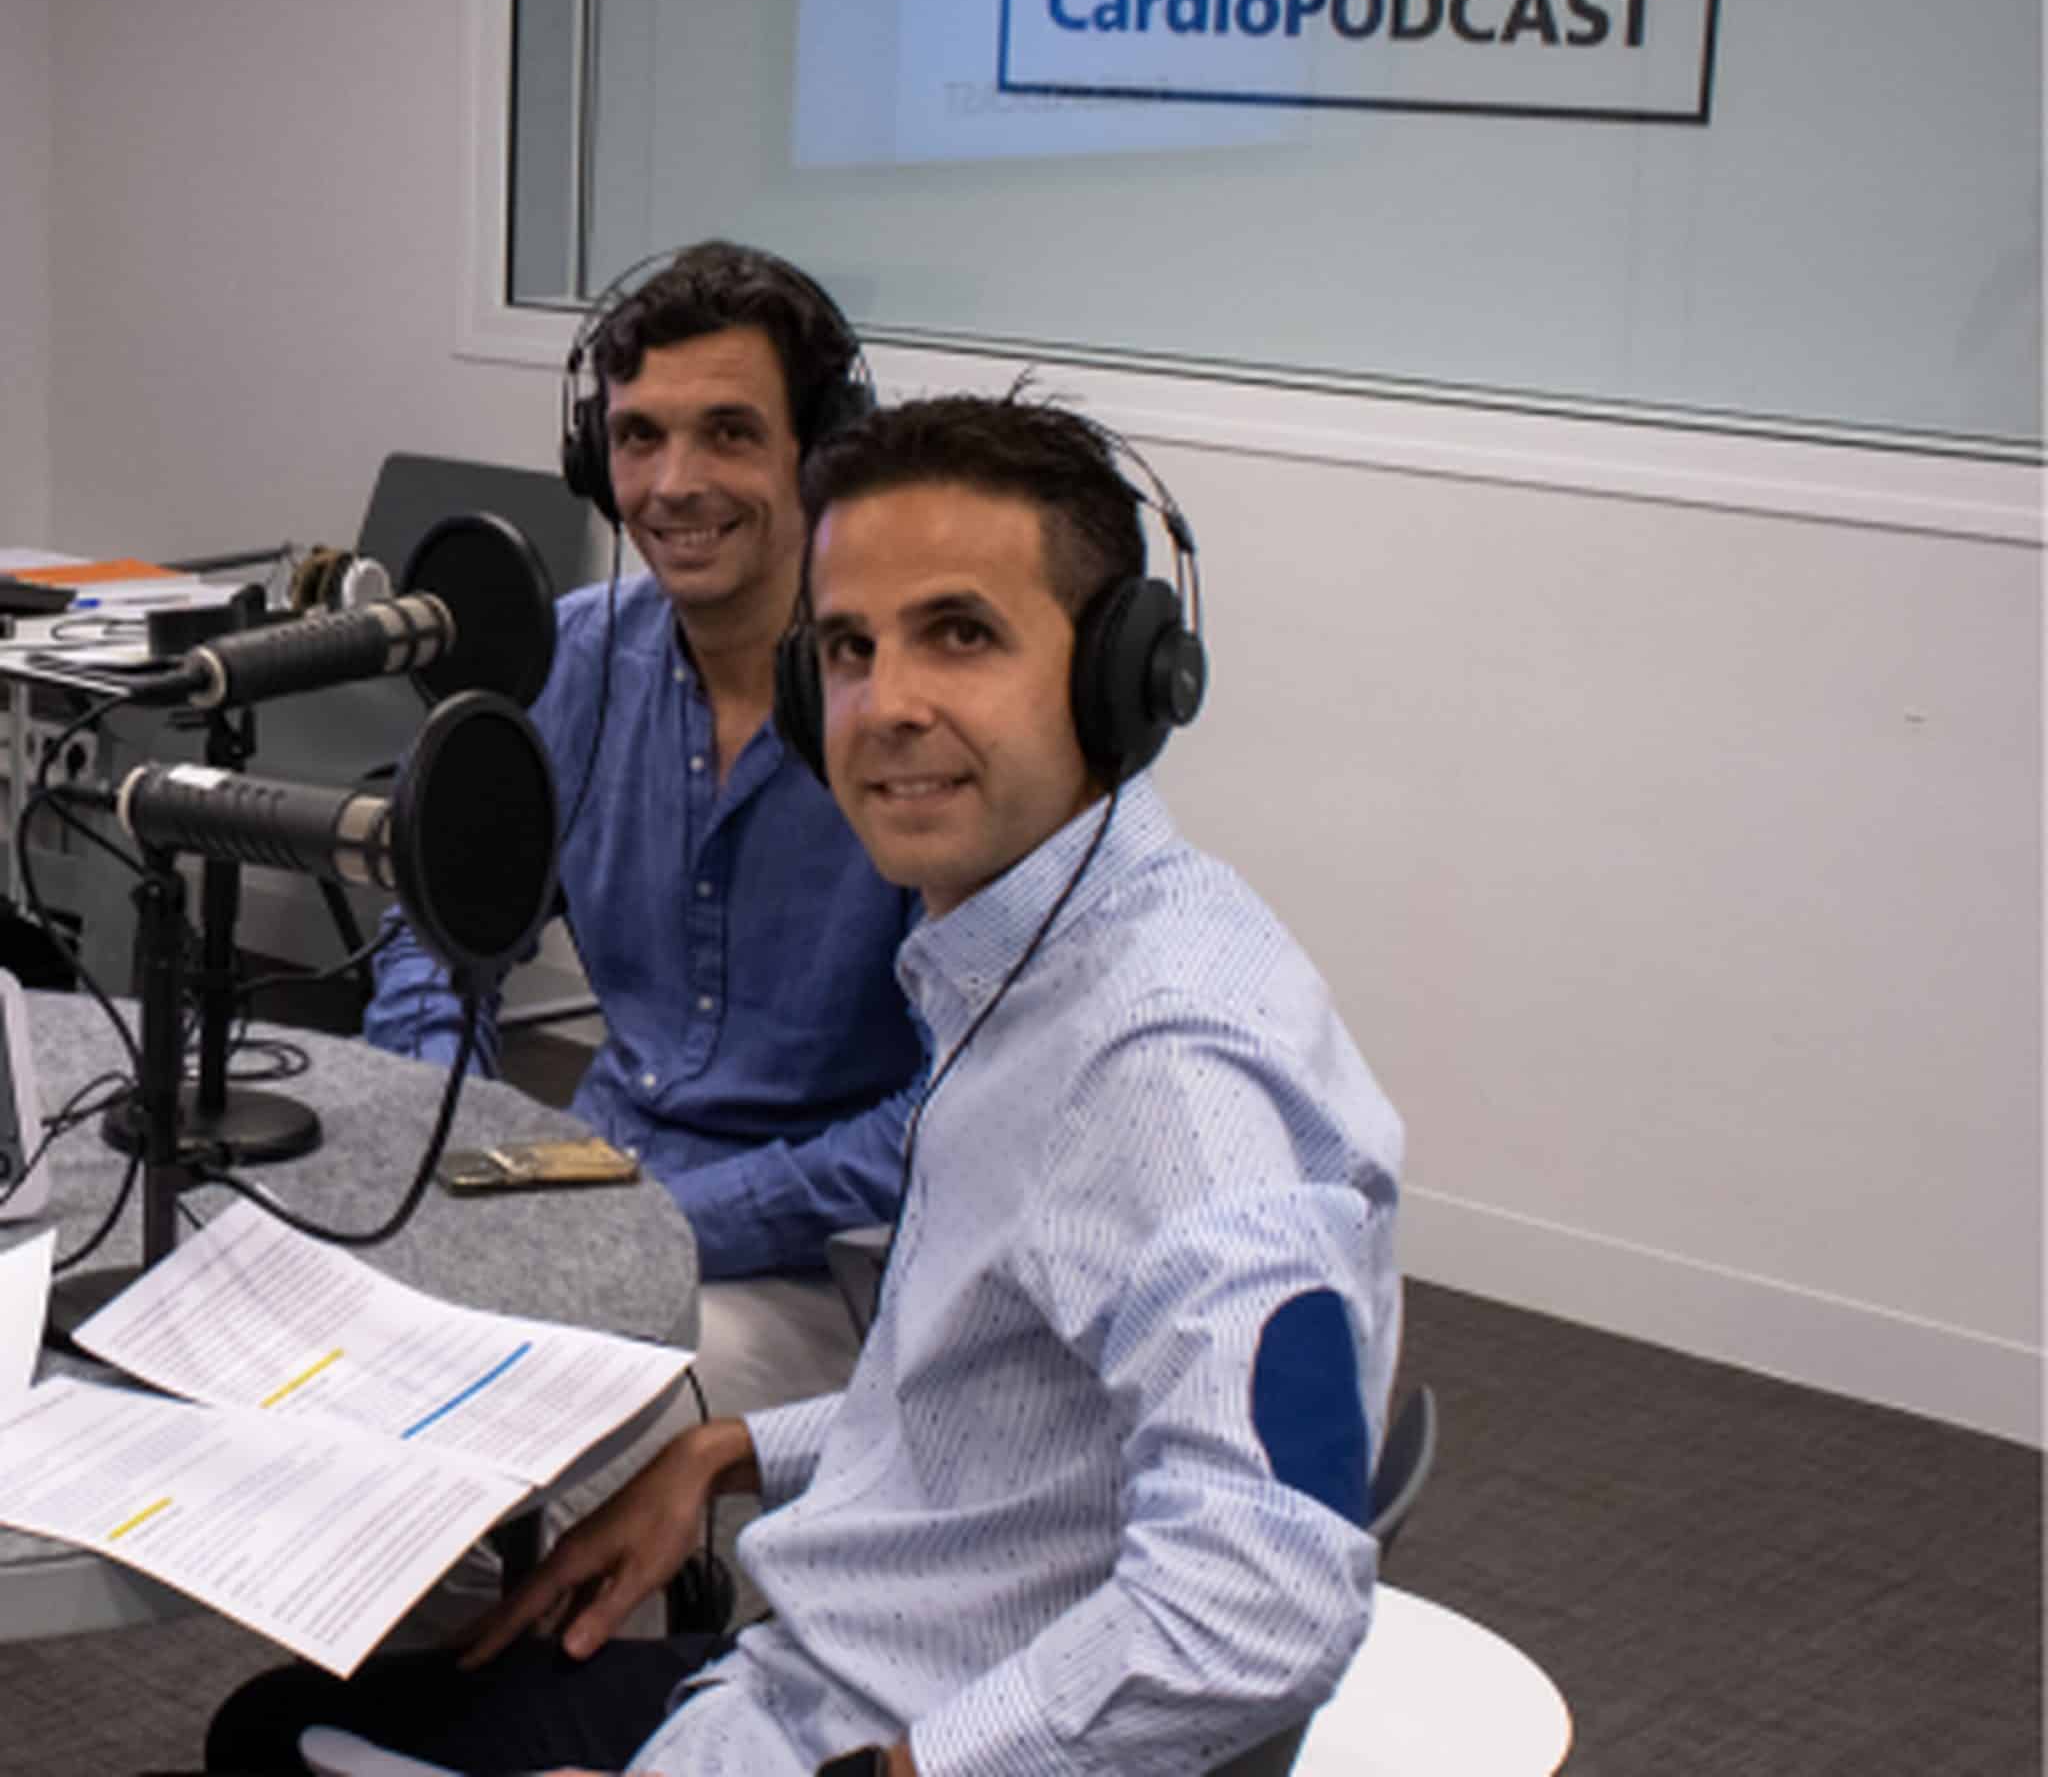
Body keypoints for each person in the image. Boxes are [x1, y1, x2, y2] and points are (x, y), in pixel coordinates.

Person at [208, 393, 1403, 1776]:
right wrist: (731, 1455)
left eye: (960, 634)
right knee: (282, 1722)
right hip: (833, 1661)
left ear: (1118, 679)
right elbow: (1004, 1426)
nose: (886, 706)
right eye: (847, 648)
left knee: (276, 1747)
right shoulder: (1049, 955)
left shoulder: (1163, 1072)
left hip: (859, 1730)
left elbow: (1267, 1593)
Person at [365, 239, 925, 1419]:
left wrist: (663, 1215)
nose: (673, 484)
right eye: (637, 437)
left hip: (825, 1258)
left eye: (728, 433)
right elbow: (434, 921)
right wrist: (449, 1126)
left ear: (821, 451)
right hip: (590, 1181)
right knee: (341, 1350)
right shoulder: (570, 656)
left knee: (545, 1409)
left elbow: (953, 1111)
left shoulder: (910, 714)